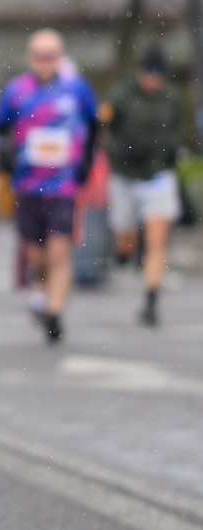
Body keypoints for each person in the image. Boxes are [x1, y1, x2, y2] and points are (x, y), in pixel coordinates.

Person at [0, 29, 98, 344]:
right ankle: (41, 287)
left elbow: (94, 125)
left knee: (59, 251)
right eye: (39, 56)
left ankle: (54, 313)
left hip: (63, 186)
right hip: (28, 185)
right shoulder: (16, 90)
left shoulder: (76, 89)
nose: (45, 61)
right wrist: (6, 159)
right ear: (30, 58)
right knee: (37, 256)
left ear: (60, 57)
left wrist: (86, 163)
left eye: (50, 55)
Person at [104, 45, 181, 326]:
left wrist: (169, 153)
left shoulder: (171, 98)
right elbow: (105, 122)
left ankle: (151, 299)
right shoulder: (122, 94)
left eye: (158, 74)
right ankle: (125, 250)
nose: (153, 79)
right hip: (126, 174)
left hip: (157, 175)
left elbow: (175, 130)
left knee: (157, 241)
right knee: (124, 231)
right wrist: (118, 150)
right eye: (149, 73)